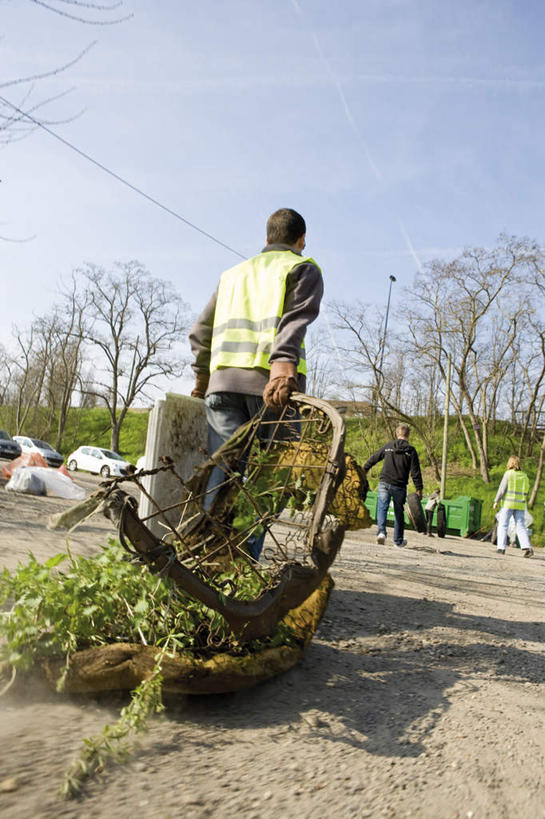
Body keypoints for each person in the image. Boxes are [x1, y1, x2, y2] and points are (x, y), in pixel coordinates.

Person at [189, 207, 323, 559]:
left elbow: (201, 331)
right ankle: (241, 562)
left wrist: (202, 380)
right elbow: (295, 322)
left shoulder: (232, 275)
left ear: (265, 239)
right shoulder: (301, 267)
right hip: (271, 393)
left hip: (222, 390)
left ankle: (202, 556)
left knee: (222, 473)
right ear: (301, 240)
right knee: (266, 480)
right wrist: (282, 368)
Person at [363, 423, 423, 548]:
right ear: (408, 435)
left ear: (397, 434)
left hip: (384, 482)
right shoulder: (411, 451)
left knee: (382, 508)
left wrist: (363, 470)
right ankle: (398, 541)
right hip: (399, 485)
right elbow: (415, 472)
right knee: (398, 513)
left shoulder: (389, 446)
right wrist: (419, 489)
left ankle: (381, 533)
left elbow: (374, 458)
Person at [493, 455, 533, 557]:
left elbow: (502, 489)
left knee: (503, 524)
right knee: (520, 526)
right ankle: (527, 547)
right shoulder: (525, 476)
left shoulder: (508, 474)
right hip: (520, 505)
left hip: (508, 504)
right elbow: (527, 491)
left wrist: (496, 501)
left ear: (510, 463)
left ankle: (501, 548)